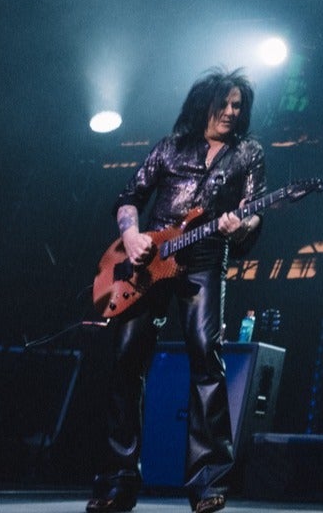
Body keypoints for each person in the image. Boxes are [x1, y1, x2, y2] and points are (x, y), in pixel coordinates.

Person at [87, 68, 266, 513]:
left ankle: (207, 483)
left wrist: (239, 226)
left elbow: (253, 215)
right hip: (149, 263)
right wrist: (131, 237)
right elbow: (129, 198)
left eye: (237, 106)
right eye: (223, 103)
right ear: (204, 104)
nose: (230, 112)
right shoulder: (170, 147)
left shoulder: (248, 154)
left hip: (203, 260)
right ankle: (117, 480)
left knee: (207, 355)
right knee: (127, 358)